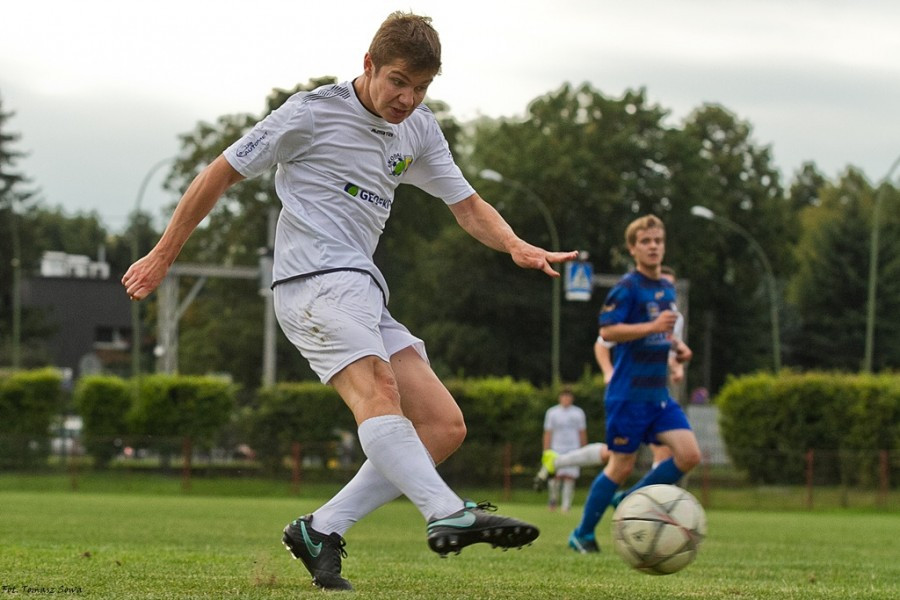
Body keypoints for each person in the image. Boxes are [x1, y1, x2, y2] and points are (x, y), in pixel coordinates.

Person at [122, 12, 576, 590]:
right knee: (379, 394)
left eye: (421, 88)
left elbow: (466, 205)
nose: (407, 99)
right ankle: (446, 511)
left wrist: (513, 243)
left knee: (441, 425)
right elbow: (218, 174)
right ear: (368, 65)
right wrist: (164, 254)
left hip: (362, 288)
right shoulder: (310, 113)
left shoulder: (419, 129)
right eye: (397, 82)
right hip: (311, 283)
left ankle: (321, 528)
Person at [567, 214, 701, 554]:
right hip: (627, 395)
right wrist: (652, 326)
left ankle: (630, 499)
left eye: (658, 240)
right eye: (646, 241)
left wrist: (676, 347)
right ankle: (582, 534)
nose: (653, 246)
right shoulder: (626, 287)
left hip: (659, 395)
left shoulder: (666, 287)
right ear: (633, 248)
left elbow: (663, 331)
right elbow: (608, 331)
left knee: (689, 455)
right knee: (621, 465)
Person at [592, 265, 689, 469]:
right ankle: (560, 461)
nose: (663, 290)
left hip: (657, 391)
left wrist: (678, 367)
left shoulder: (674, 319)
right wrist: (608, 372)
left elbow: (667, 352)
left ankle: (643, 499)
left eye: (669, 286)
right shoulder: (638, 308)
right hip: (628, 390)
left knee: (669, 451)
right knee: (618, 458)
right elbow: (602, 342)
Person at [537, 389, 587, 513]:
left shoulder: (578, 413)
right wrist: (546, 450)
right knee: (555, 477)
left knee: (569, 477)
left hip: (573, 448)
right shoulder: (552, 412)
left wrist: (584, 449)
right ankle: (553, 500)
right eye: (564, 397)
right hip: (556, 448)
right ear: (560, 398)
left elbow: (582, 432)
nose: (566, 399)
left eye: (568, 397)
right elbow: (548, 432)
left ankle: (566, 505)